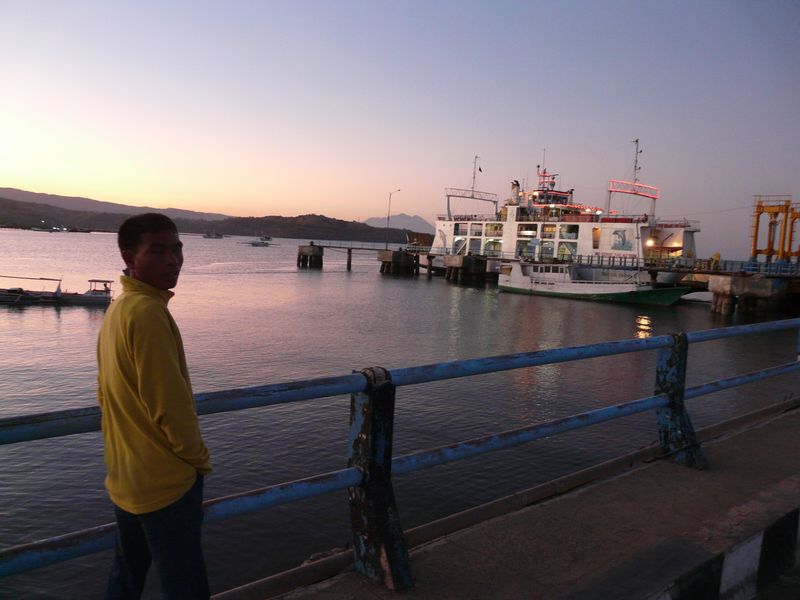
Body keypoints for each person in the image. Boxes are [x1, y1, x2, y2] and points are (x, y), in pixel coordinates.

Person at [97, 213, 212, 599]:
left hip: (127, 476)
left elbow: (104, 393)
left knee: (126, 577)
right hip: (165, 482)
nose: (173, 260)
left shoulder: (120, 307)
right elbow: (170, 405)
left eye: (177, 249)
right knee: (185, 583)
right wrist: (197, 461)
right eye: (158, 250)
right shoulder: (147, 313)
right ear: (130, 257)